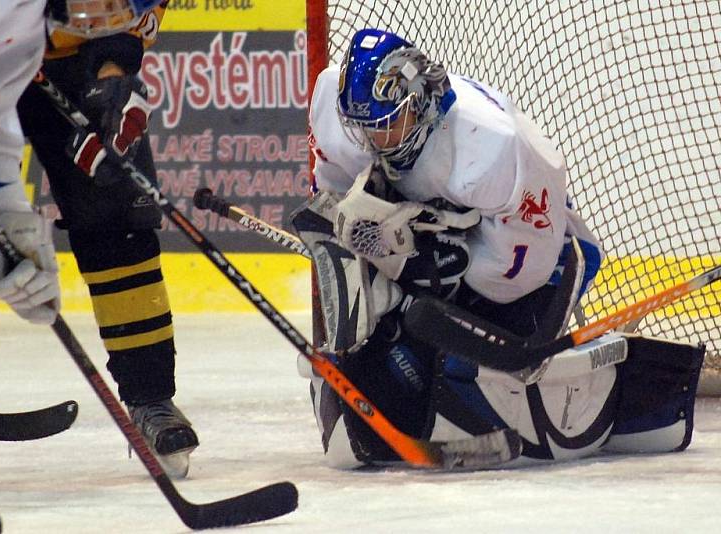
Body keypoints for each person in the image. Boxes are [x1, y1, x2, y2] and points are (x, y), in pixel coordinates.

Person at [293, 28, 703, 469]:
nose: (375, 141)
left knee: (447, 366)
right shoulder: (336, 108)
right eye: (365, 129)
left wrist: (438, 274)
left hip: (544, 263)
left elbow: (522, 268)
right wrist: (371, 248)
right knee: (384, 363)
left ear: (419, 101)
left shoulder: (490, 148)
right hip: (429, 245)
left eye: (388, 125)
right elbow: (336, 197)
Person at [0, 0, 197, 490]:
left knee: (114, 207)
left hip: (33, 56)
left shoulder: (20, 24)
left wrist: (114, 72)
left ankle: (150, 395)